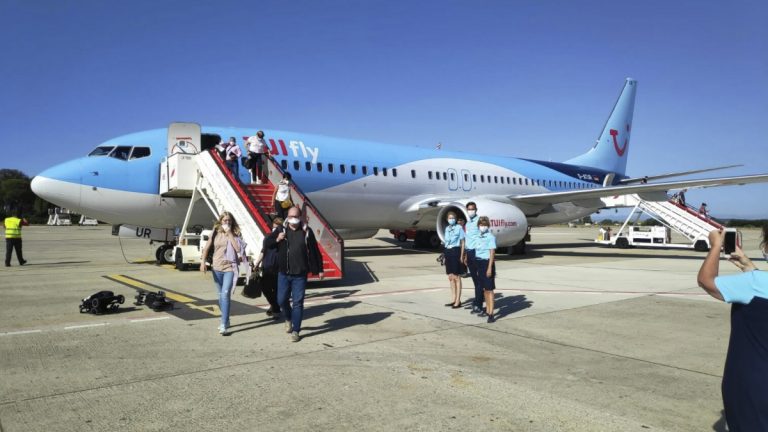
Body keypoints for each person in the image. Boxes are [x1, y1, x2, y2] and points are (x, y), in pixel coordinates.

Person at [697, 228, 768, 431]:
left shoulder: (754, 283)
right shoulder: (757, 281)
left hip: (754, 384)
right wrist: (749, 267)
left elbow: (706, 281)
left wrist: (716, 247)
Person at [264, 206, 324, 342]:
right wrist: (277, 239)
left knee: (298, 303)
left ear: (301, 217)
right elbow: (268, 244)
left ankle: (296, 331)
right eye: (291, 216)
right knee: (281, 300)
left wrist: (320, 269)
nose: (293, 219)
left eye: (296, 216)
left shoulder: (306, 231)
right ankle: (288, 318)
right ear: (287, 217)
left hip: (300, 274)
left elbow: (314, 251)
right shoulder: (281, 230)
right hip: (284, 273)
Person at [199, 211, 247, 335]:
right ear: (220, 221)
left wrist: (230, 233)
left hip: (230, 267)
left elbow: (238, 249)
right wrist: (203, 262)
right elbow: (207, 248)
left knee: (225, 295)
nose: (227, 222)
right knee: (220, 296)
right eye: (225, 220)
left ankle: (224, 324)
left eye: (229, 220)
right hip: (216, 267)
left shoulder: (236, 233)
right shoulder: (215, 232)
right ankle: (226, 318)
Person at [253, 217, 284, 318]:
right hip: (267, 265)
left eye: (279, 225)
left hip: (277, 266)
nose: (276, 227)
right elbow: (263, 250)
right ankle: (275, 306)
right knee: (265, 287)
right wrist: (257, 262)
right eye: (275, 224)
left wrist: (279, 239)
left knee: (275, 289)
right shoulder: (268, 237)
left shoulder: (283, 237)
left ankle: (275, 309)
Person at [462, 202, 483, 314]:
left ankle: (479, 304)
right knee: (475, 280)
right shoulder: (468, 223)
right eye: (469, 209)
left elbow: (484, 237)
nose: (471, 211)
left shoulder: (480, 221)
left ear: (476, 209)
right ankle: (476, 302)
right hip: (470, 253)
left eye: (472, 209)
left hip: (477, 253)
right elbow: (467, 240)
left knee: (479, 280)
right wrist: (465, 254)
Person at [474, 216, 497, 323]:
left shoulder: (490, 237)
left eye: (484, 225)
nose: (482, 227)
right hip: (479, 262)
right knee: (484, 289)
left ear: (488, 226)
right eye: (481, 225)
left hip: (487, 262)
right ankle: (487, 310)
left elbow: (492, 253)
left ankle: (491, 313)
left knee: (489, 289)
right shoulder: (478, 236)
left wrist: (489, 268)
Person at [442, 211, 465, 308]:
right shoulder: (447, 228)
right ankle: (453, 299)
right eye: (449, 218)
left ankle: (458, 301)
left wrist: (461, 255)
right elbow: (446, 241)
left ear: (455, 219)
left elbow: (463, 242)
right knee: (450, 277)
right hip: (448, 251)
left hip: (456, 250)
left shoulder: (459, 228)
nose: (451, 219)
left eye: (453, 218)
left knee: (457, 277)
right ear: (447, 219)